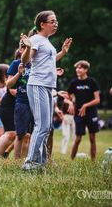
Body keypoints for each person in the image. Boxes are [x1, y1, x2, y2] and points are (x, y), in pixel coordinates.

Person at [20, 10, 72, 171]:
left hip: (48, 86)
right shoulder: (35, 39)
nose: (55, 24)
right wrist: (28, 48)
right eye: (52, 21)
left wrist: (62, 52)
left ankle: (41, 163)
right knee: (41, 126)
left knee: (48, 126)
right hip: (37, 85)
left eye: (56, 21)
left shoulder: (46, 41)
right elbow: (25, 60)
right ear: (42, 24)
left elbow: (48, 60)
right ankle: (30, 164)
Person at [67, 60, 100, 160]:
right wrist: (71, 103)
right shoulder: (74, 82)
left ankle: (93, 161)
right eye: (77, 68)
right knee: (77, 139)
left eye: (80, 68)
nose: (78, 70)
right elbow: (69, 96)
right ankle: (71, 160)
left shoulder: (92, 82)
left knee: (92, 137)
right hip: (79, 113)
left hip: (91, 112)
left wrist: (86, 105)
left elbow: (97, 100)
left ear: (86, 69)